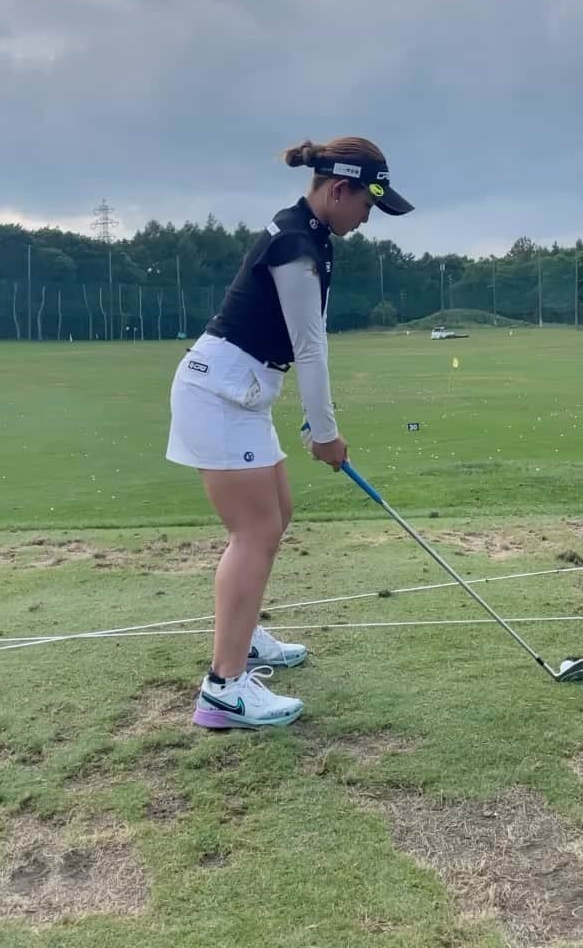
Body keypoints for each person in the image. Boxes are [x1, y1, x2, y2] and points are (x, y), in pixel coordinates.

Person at [166, 137, 414, 729]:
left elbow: (295, 342)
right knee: (253, 531)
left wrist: (312, 419)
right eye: (367, 205)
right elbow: (311, 346)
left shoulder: (312, 236)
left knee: (277, 513)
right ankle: (223, 689)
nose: (368, 218)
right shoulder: (296, 246)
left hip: (243, 393)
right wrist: (325, 432)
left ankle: (244, 636)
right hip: (219, 395)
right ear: (339, 190)